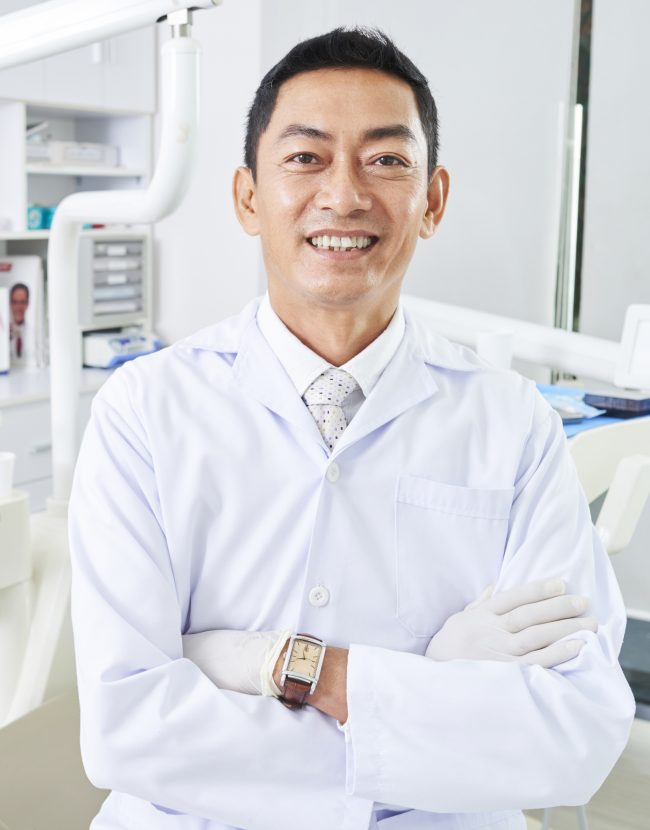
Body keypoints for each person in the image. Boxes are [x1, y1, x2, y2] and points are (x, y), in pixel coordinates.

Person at [69, 27, 635, 830]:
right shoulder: (145, 411)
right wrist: (428, 696)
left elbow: (576, 734)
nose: (343, 195)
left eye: (386, 159)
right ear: (248, 197)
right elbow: (129, 731)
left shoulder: (513, 424)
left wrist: (293, 667)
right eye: (306, 157)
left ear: (432, 201)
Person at [9, 282, 29, 362]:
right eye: (15, 302)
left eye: (22, 302)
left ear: (27, 304)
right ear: (10, 304)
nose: (18, 307)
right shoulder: (3, 333)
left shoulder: (35, 333)